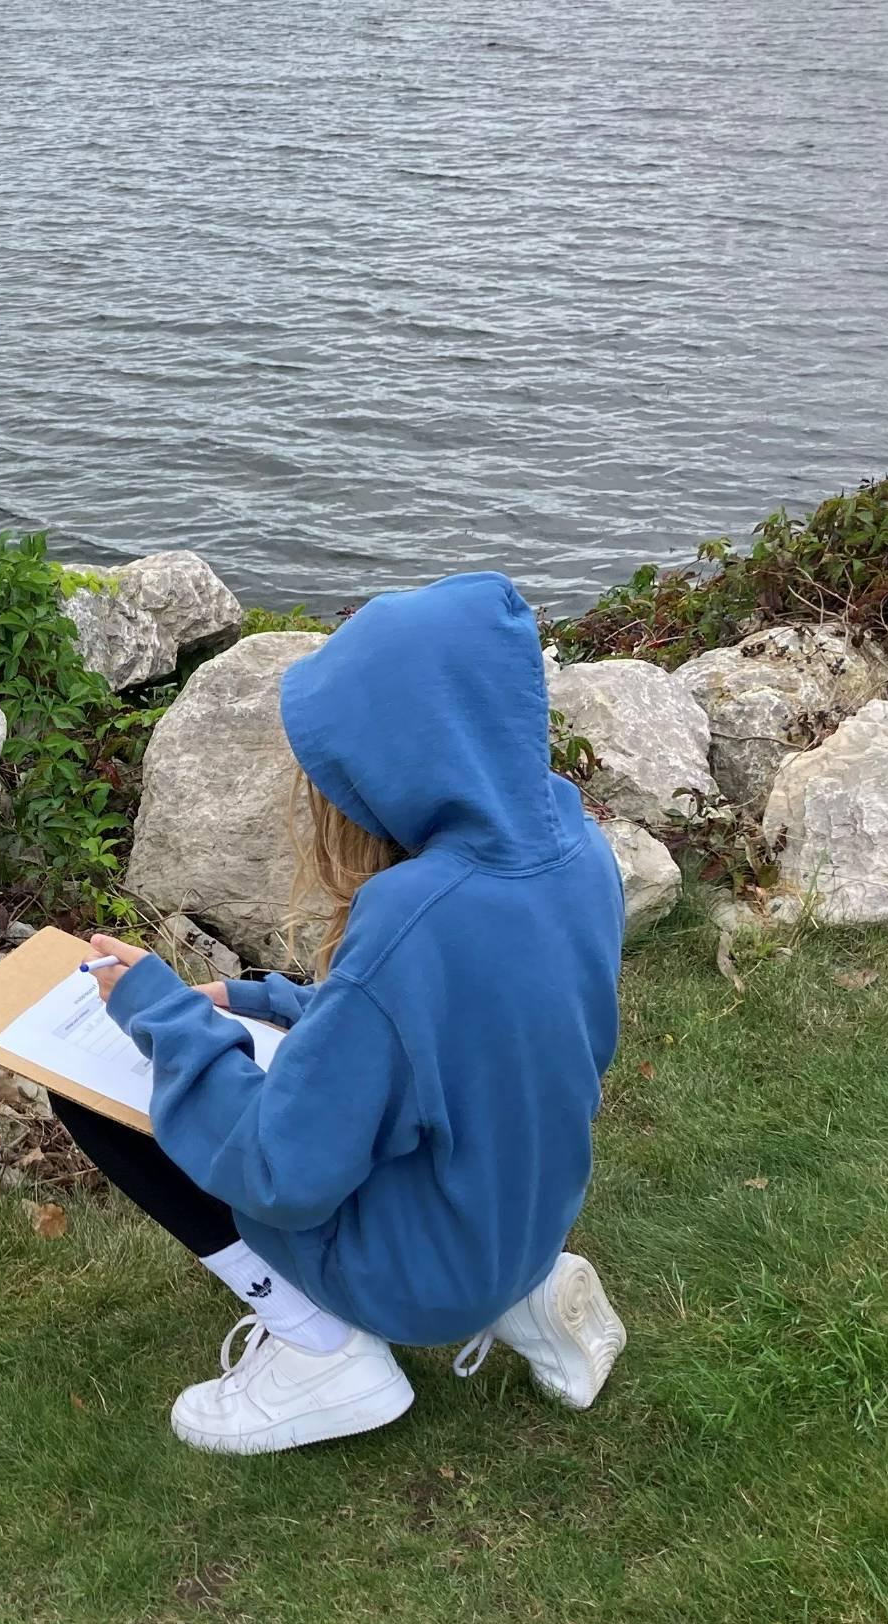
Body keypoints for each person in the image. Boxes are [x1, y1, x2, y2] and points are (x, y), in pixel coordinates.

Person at [63, 571, 628, 1455]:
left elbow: (281, 1172)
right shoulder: (573, 847)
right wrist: (261, 1000)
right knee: (261, 1056)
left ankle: (323, 1351)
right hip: (523, 1211)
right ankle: (530, 1293)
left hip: (423, 1277)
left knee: (98, 1093)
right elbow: (442, 1025)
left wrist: (164, 1019)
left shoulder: (414, 913)